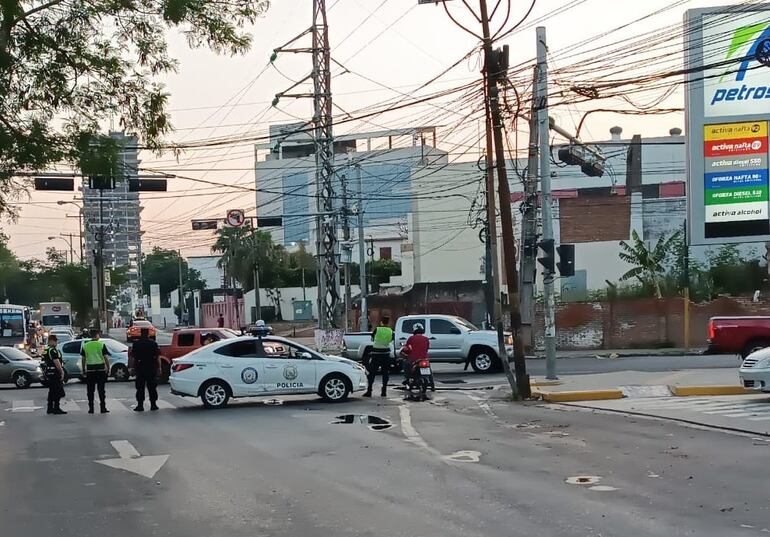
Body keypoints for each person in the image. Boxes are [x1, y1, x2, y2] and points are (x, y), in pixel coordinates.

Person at [80, 329, 111, 414]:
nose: (99, 336)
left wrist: (83, 369)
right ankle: (103, 407)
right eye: (98, 335)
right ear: (96, 335)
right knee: (101, 390)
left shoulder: (85, 346)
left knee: (90, 390)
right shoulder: (101, 345)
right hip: (100, 369)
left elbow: (83, 359)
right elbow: (105, 357)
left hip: (90, 370)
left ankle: (91, 408)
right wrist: (108, 368)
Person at [131, 328, 161, 412]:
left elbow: (133, 357)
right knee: (152, 387)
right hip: (151, 367)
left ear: (141, 334)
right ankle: (153, 405)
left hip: (140, 368)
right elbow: (158, 357)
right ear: (148, 334)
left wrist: (132, 368)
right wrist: (159, 368)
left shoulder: (136, 344)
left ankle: (140, 405)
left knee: (140, 387)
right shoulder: (153, 343)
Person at [364, 316, 394, 398]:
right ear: (387, 323)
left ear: (381, 322)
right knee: (385, 373)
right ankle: (384, 391)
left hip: (376, 353)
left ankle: (369, 391)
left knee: (372, 373)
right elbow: (391, 340)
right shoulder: (390, 331)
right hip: (386, 354)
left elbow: (372, 338)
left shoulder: (377, 329)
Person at [42, 334, 67, 415]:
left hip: (49, 372)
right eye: (55, 341)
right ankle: (56, 408)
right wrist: (62, 372)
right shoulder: (53, 350)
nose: (56, 342)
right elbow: (56, 362)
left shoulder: (46, 350)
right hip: (55, 372)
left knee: (52, 391)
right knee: (58, 391)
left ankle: (50, 408)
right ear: (51, 341)